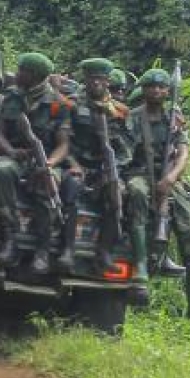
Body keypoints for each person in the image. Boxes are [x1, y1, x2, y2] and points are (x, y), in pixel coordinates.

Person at [125, 69, 190, 322]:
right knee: (137, 192)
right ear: (143, 90)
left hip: (169, 178)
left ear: (167, 91)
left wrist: (169, 179)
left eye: (162, 87)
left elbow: (183, 153)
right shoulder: (132, 118)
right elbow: (125, 154)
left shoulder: (175, 118)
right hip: (140, 173)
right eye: (151, 87)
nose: (156, 91)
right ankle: (141, 265)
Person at [0, 53, 72, 273]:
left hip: (46, 159)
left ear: (34, 75)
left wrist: (49, 164)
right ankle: (11, 237)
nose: (16, 74)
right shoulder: (11, 96)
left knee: (47, 185)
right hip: (17, 156)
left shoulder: (57, 104)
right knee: (1, 170)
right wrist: (10, 151)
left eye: (21, 70)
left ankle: (43, 250)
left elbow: (63, 145)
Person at [63, 59, 137, 278]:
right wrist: (73, 164)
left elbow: (127, 149)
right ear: (85, 79)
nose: (97, 83)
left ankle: (104, 253)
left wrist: (114, 167)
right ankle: (68, 250)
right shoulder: (71, 104)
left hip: (105, 168)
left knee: (117, 197)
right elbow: (60, 140)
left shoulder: (119, 111)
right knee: (71, 188)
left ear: (107, 81)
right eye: (92, 78)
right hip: (77, 164)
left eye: (101, 79)